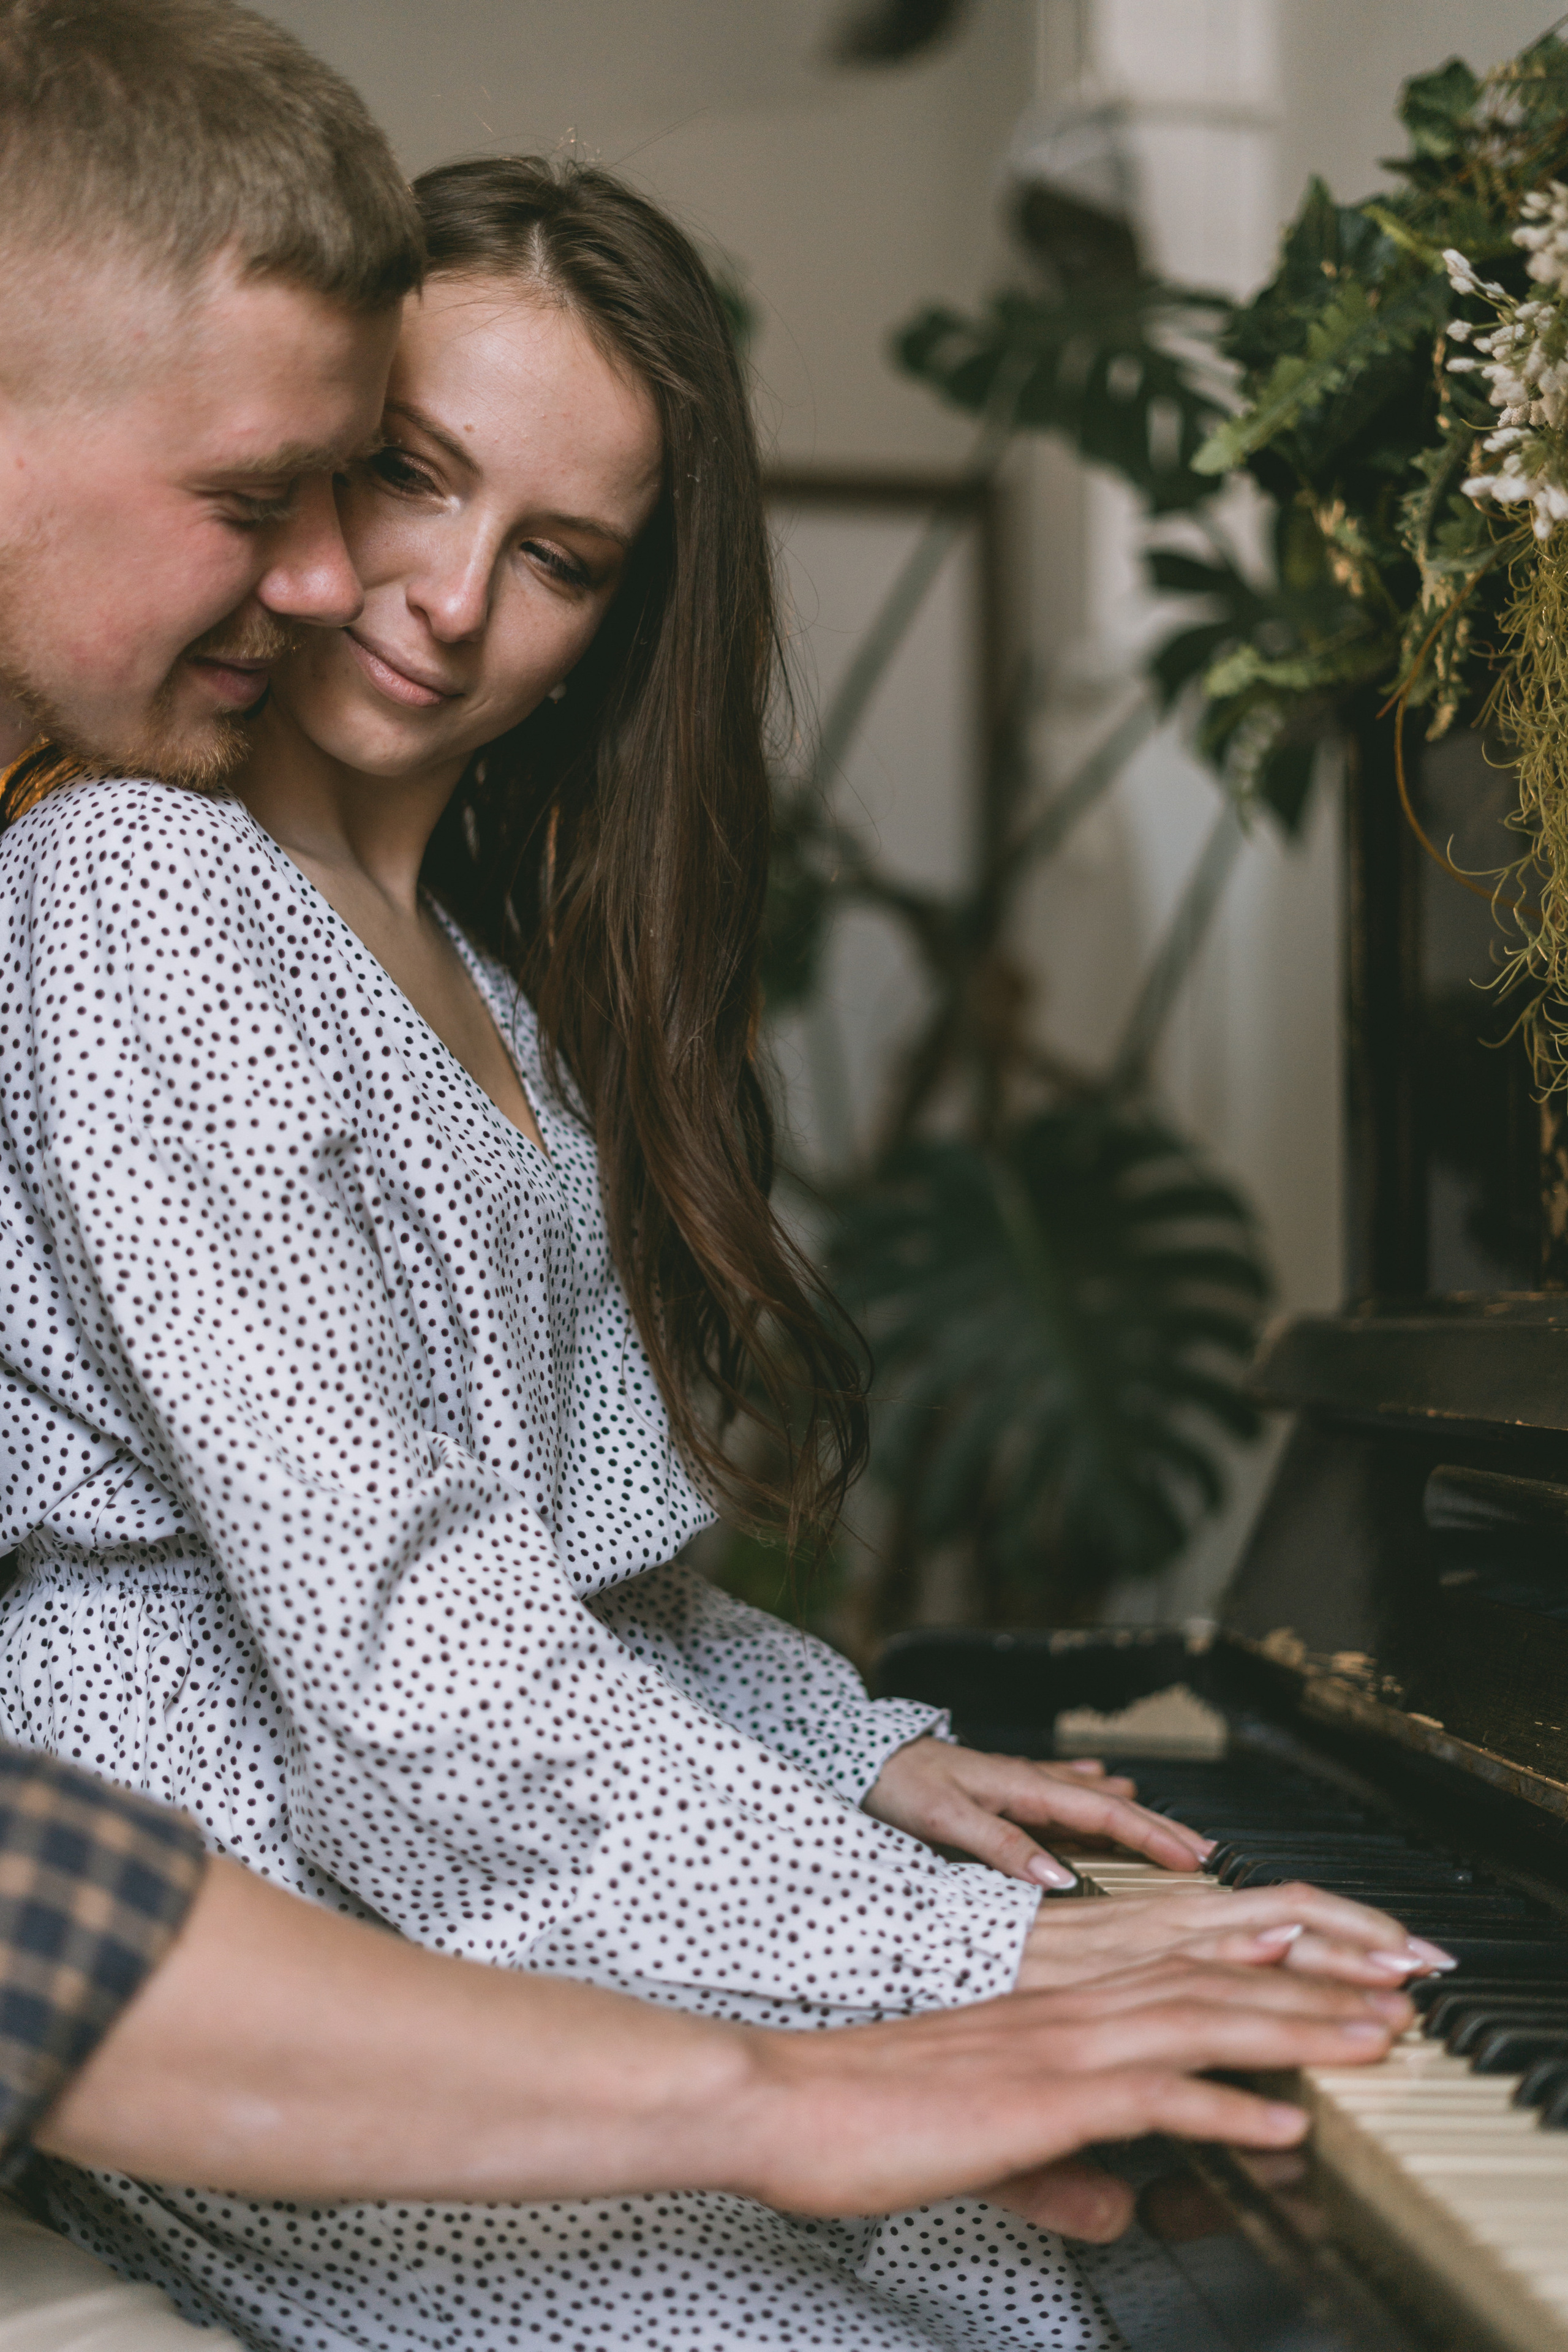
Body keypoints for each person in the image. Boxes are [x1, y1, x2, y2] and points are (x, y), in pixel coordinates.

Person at [0, 0, 1422, 2258]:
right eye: (400, 474)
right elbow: (401, 1651)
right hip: (279, 1948)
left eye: (561, 556)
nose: (448, 601)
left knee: (1064, 2264)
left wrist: (846, 1748)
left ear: (615, 624)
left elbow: (549, 1569)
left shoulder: (496, 990)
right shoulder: (141, 888)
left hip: (491, 1870)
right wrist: (952, 1948)